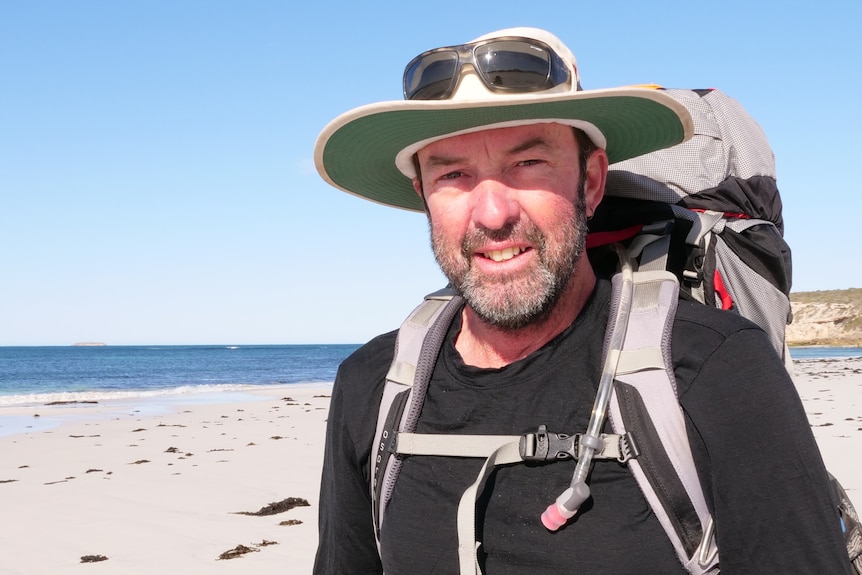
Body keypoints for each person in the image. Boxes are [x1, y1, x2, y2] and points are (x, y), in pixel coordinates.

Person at [312, 27, 852, 574]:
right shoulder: (371, 387)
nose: (493, 212)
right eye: (453, 174)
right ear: (424, 198)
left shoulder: (716, 368)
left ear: (590, 182)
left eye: (528, 164)